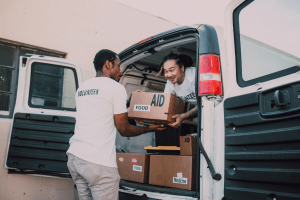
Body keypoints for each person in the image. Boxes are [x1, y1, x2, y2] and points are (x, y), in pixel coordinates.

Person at [66, 49, 166, 200]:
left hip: (75, 158)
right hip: (98, 162)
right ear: (108, 64)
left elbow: (102, 109)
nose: (120, 71)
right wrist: (148, 129)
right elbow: (124, 129)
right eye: (118, 66)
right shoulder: (116, 88)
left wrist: (129, 102)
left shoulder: (82, 88)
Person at [160, 53, 197, 128]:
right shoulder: (170, 83)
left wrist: (183, 116)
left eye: (171, 70)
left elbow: (205, 103)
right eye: (166, 71)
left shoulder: (194, 77)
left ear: (182, 68)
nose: (169, 75)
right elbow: (164, 103)